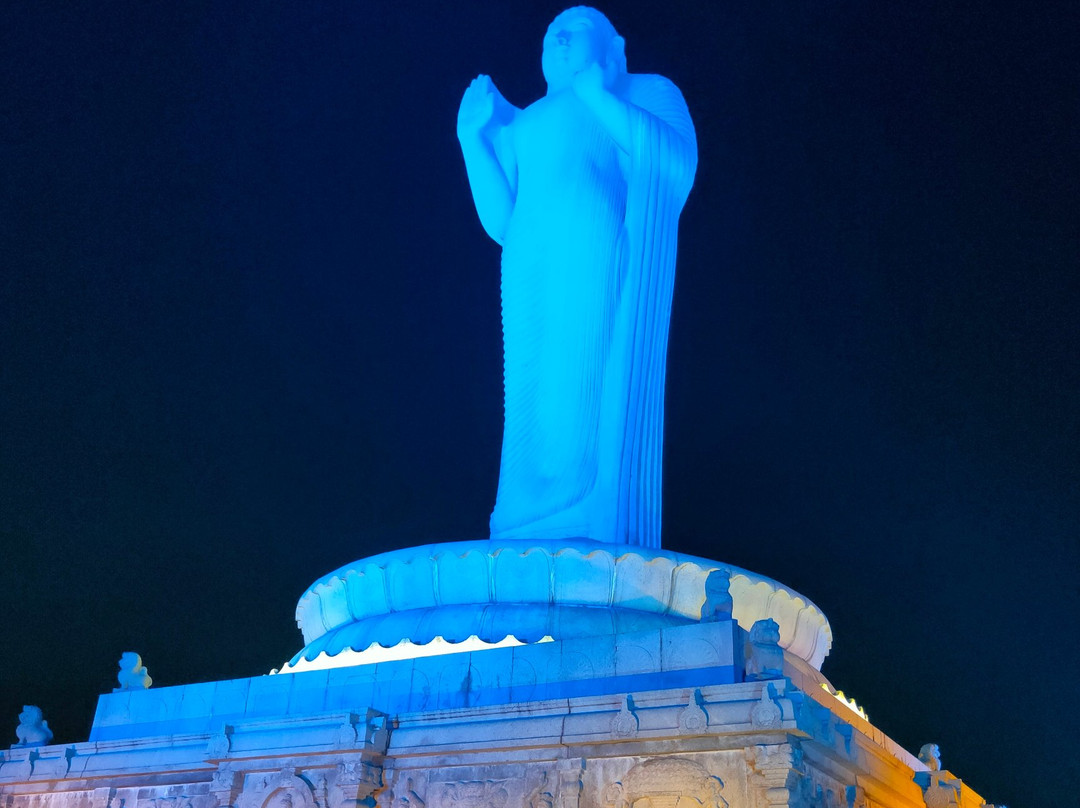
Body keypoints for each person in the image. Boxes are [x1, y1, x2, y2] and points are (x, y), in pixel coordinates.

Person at [457, 7, 696, 548]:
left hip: (593, 254)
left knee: (581, 374)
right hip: (527, 266)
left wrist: (600, 96)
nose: (557, 41)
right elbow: (501, 219)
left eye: (573, 32)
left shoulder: (643, 91)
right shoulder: (527, 120)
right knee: (529, 389)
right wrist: (473, 139)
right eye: (549, 36)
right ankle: (523, 512)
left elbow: (676, 163)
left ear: (614, 48)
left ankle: (584, 506)